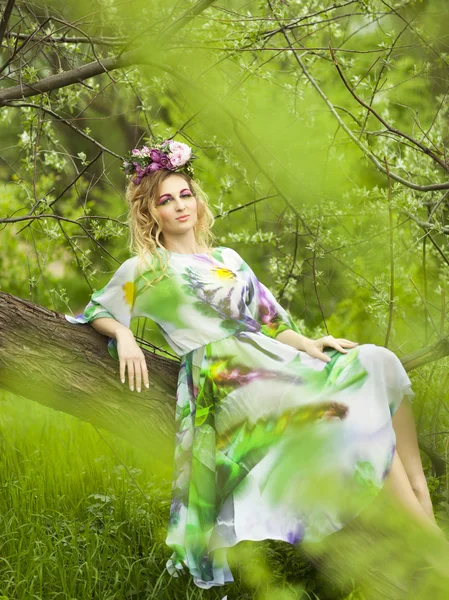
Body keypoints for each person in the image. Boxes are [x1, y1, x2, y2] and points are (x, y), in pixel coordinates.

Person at [65, 138, 443, 589]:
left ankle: (424, 513)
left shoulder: (229, 260)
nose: (180, 206)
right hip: (226, 377)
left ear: (196, 199)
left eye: (185, 194)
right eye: (166, 201)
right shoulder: (147, 268)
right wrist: (124, 334)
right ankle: (425, 543)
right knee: (335, 408)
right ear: (152, 214)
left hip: (270, 356)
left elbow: (270, 321)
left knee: (375, 361)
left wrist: (307, 341)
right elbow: (99, 311)